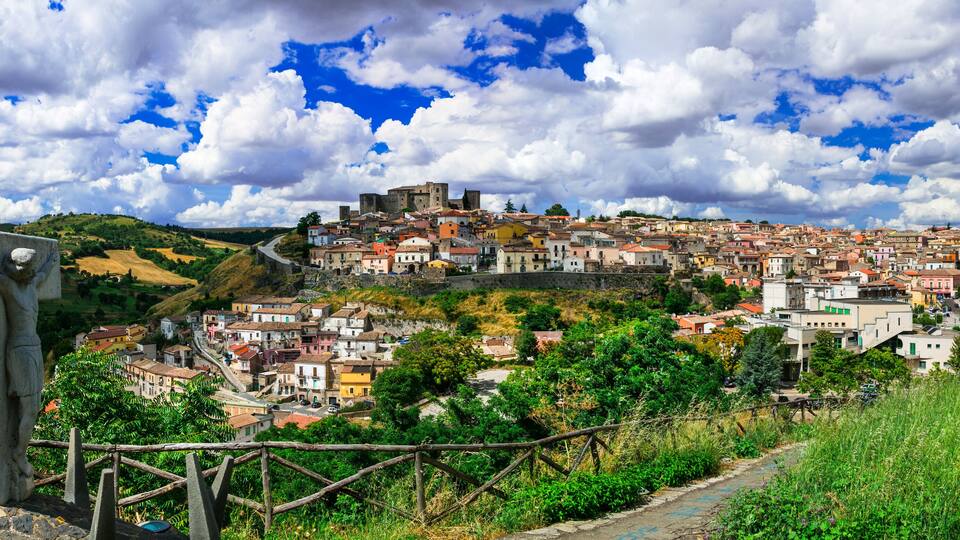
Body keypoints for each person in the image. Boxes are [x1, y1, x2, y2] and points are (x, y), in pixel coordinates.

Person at [0, 247, 57, 493]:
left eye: (32, 268)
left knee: (33, 408)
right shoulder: (6, 285)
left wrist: (52, 259)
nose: (31, 272)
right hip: (19, 350)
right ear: (14, 268)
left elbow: (44, 274)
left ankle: (18, 451)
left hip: (35, 348)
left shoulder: (32, 284)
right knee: (28, 409)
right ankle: (17, 454)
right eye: (26, 268)